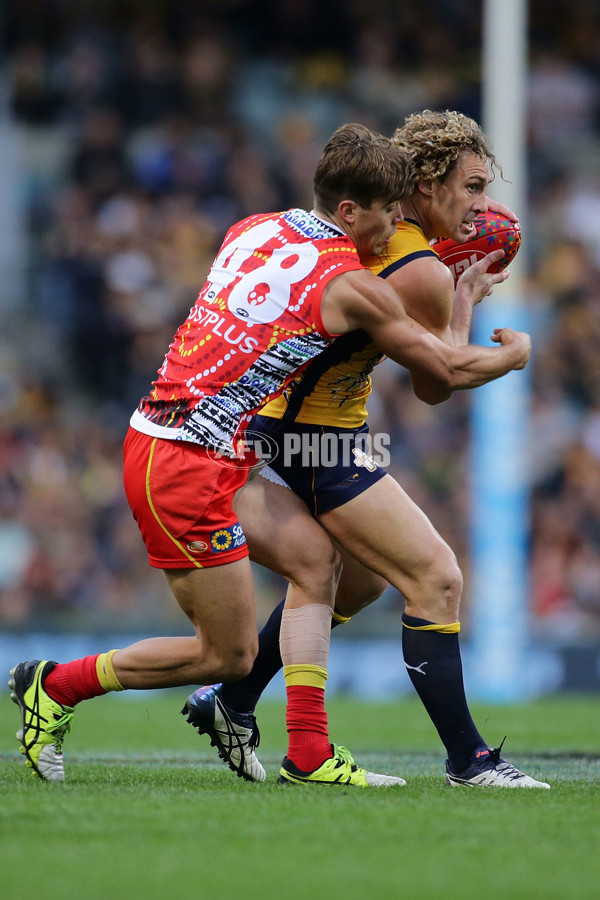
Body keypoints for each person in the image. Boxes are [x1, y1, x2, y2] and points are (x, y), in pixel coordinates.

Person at [9, 121, 530, 786]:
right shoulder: (362, 282)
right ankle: (56, 685)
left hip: (210, 437)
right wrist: (514, 352)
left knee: (322, 563)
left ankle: (305, 750)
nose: (391, 224)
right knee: (226, 653)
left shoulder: (255, 227)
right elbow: (444, 375)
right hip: (201, 455)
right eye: (385, 213)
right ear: (350, 211)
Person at [181, 110, 549, 789]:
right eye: (470, 186)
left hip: (287, 423)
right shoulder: (418, 266)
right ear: (430, 181)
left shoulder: (388, 235)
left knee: (362, 579)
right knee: (435, 578)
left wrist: (457, 292)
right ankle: (470, 760)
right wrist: (488, 323)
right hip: (314, 434)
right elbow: (438, 384)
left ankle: (229, 701)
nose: (480, 205)